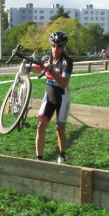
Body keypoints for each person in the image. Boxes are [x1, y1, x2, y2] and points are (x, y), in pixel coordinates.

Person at [27, 31, 73, 164]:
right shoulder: (47, 57)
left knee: (60, 129)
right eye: (53, 45)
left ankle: (62, 155)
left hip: (62, 98)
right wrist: (29, 68)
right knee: (40, 126)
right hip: (49, 97)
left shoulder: (66, 62)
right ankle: (39, 159)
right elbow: (39, 68)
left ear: (63, 47)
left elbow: (64, 83)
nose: (55, 49)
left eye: (58, 46)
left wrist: (51, 71)